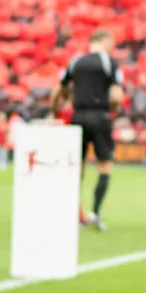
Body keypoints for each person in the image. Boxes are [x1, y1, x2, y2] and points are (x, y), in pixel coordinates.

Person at [59, 28, 123, 231]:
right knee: (105, 165)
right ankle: (95, 212)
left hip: (78, 116)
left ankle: (76, 215)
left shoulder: (76, 61)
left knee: (77, 167)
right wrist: (113, 111)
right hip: (100, 115)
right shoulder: (108, 62)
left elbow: (62, 87)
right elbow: (116, 95)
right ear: (104, 41)